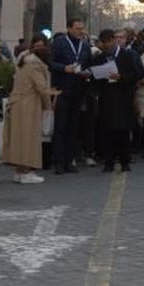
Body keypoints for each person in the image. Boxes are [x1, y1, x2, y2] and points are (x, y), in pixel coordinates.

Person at [2, 38, 55, 183]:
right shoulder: (35, 65)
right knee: (28, 140)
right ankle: (26, 173)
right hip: (28, 105)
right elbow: (42, 88)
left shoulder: (25, 61)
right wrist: (50, 104)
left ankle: (19, 172)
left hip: (17, 103)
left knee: (18, 140)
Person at [90, 28, 142, 172]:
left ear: (113, 40)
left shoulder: (127, 55)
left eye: (109, 42)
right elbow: (94, 79)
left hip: (123, 98)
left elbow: (137, 74)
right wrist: (95, 76)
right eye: (104, 43)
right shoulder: (99, 58)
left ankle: (125, 162)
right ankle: (109, 162)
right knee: (107, 132)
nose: (107, 45)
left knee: (123, 132)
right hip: (106, 99)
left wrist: (121, 77)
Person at [47, 17, 92, 174]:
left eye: (82, 28)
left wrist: (87, 72)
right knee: (60, 127)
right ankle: (58, 162)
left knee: (73, 127)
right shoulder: (59, 43)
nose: (81, 32)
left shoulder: (85, 45)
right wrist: (64, 68)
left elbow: (89, 64)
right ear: (69, 29)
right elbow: (49, 63)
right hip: (62, 90)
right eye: (78, 29)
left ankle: (69, 161)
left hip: (79, 90)